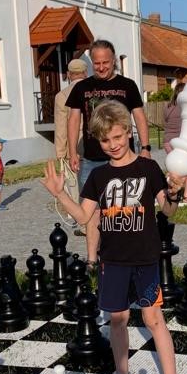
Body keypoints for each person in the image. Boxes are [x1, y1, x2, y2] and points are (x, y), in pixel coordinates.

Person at [42, 100, 185, 374]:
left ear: (129, 132)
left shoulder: (148, 168)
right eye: (105, 140)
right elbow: (84, 216)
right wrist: (60, 193)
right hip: (113, 260)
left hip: (145, 258)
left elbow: (168, 210)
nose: (113, 144)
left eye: (118, 137)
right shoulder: (99, 176)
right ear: (98, 141)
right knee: (117, 319)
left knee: (153, 319)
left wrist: (175, 193)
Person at [66, 39, 151, 271]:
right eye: (97, 63)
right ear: (91, 63)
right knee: (92, 211)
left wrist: (145, 147)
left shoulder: (127, 85)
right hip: (92, 160)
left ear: (114, 61)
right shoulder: (82, 88)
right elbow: (73, 119)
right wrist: (72, 151)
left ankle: (127, 255)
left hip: (124, 160)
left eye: (106, 62)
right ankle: (92, 259)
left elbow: (139, 116)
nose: (101, 67)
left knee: (125, 207)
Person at [54, 58, 88, 235]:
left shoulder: (62, 96)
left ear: (68, 75)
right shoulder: (93, 89)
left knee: (76, 188)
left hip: (73, 148)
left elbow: (61, 128)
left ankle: (84, 224)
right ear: (85, 73)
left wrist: (61, 154)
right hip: (96, 144)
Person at [163, 82, 187, 203]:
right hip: (182, 143)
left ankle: (170, 193)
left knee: (175, 168)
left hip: (168, 142)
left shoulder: (168, 107)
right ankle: (186, 196)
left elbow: (166, 121)